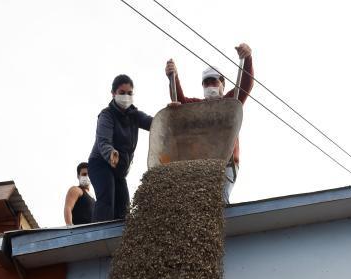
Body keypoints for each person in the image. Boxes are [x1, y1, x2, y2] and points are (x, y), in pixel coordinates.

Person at [165, 44, 254, 203]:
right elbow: (181, 102)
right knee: (198, 202)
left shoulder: (230, 102)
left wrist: (247, 58)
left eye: (214, 82)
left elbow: (246, 84)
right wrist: (174, 76)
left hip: (226, 163)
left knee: (218, 201)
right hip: (204, 164)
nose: (210, 86)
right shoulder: (198, 106)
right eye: (206, 83)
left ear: (222, 84)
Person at [88, 75, 153, 222]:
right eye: (122, 92)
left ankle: (121, 243)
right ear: (113, 93)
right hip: (101, 164)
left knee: (124, 208)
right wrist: (110, 153)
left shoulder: (135, 115)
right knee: (107, 201)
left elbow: (156, 124)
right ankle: (99, 236)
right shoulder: (107, 115)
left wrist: (170, 114)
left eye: (129, 93)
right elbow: (103, 141)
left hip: (119, 170)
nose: (126, 97)